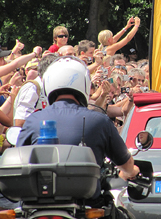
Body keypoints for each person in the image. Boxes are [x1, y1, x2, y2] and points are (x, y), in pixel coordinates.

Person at [16, 56, 139, 200]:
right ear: (85, 84)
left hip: (39, 201)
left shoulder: (33, 120)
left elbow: (18, 160)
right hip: (87, 203)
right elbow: (126, 164)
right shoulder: (99, 120)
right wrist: (132, 171)